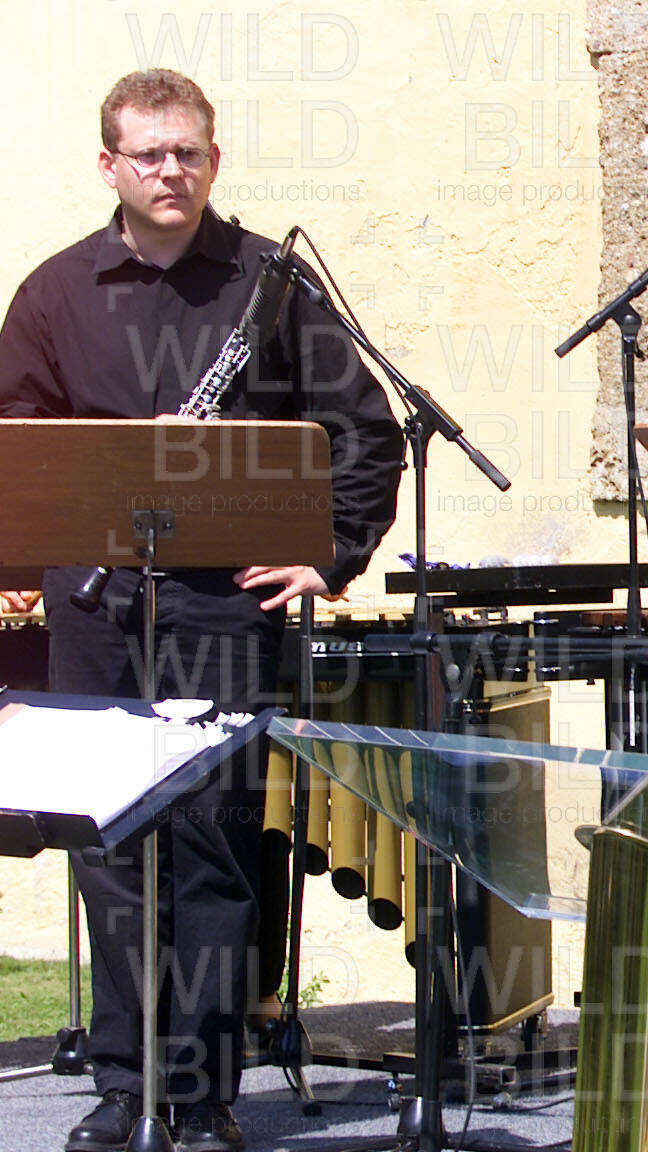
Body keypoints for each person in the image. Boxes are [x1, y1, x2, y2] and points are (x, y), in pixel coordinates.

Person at [0, 69, 402, 1152]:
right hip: (94, 613)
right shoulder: (54, 294)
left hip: (224, 610)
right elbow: (17, 448)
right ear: (110, 166)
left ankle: (202, 1092)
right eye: (149, 154)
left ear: (212, 160)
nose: (170, 170)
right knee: (110, 852)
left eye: (188, 152)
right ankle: (125, 1086)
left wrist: (328, 554)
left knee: (216, 852)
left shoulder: (274, 284)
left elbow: (368, 432)